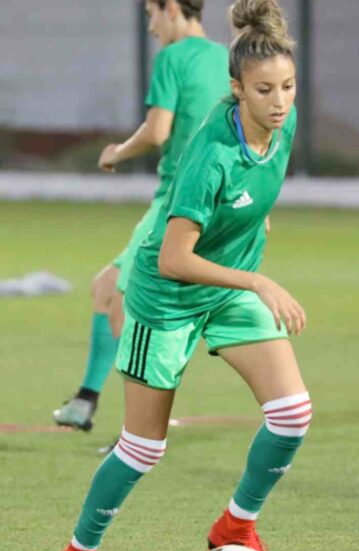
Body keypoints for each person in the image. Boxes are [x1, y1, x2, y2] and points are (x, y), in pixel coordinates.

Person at [54, 0, 307, 551]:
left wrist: (255, 231)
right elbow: (173, 258)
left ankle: (235, 526)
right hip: (166, 299)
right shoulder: (210, 154)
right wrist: (259, 282)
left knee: (292, 414)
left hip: (225, 287)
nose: (280, 102)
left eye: (289, 87)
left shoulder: (284, 126)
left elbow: (260, 192)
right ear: (236, 90)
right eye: (265, 90)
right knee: (144, 448)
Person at [51, 0, 230, 436]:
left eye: (151, 14)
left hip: (175, 201)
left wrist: (116, 152)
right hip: (213, 198)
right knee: (106, 286)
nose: (150, 26)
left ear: (171, 8)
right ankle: (85, 402)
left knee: (125, 308)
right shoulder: (227, 60)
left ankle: (138, 435)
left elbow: (157, 130)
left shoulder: (173, 57)